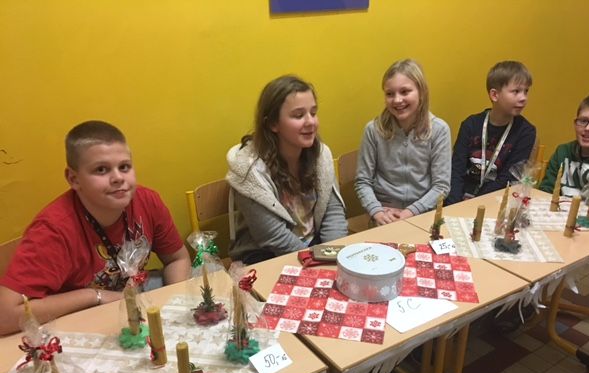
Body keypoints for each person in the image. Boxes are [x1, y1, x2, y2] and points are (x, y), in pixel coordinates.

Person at [0, 121, 191, 336]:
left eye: (124, 167)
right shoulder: (53, 230)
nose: (118, 178)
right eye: (101, 169)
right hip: (81, 318)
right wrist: (93, 296)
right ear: (74, 179)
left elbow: (178, 259)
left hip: (134, 299)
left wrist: (177, 305)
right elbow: (4, 317)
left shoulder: (147, 201)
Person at [226, 75, 348, 265]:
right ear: (272, 124)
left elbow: (332, 212)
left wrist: (334, 255)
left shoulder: (320, 155)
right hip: (265, 254)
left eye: (313, 113)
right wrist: (316, 263)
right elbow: (273, 236)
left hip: (314, 247)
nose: (311, 122)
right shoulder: (248, 170)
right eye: (298, 115)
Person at [355, 59, 451, 225]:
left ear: (421, 92)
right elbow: (363, 181)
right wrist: (377, 211)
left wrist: (410, 212)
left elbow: (441, 186)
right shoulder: (373, 130)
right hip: (384, 213)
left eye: (405, 92)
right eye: (390, 94)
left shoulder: (439, 130)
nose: (397, 100)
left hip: (422, 213)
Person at [446, 60, 536, 205]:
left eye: (526, 91)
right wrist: (454, 204)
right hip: (460, 199)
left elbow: (508, 178)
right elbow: (456, 170)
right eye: (516, 91)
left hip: (494, 202)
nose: (523, 98)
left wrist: (476, 202)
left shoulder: (526, 132)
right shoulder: (470, 124)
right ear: (494, 95)